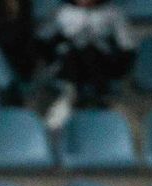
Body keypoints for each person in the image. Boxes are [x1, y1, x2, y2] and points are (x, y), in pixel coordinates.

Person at [42, 0, 137, 130]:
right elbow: (43, 42)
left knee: (90, 52)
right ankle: (70, 97)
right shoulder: (61, 12)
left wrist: (117, 72)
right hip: (69, 67)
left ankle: (102, 99)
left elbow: (127, 48)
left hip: (101, 68)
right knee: (75, 53)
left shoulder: (112, 12)